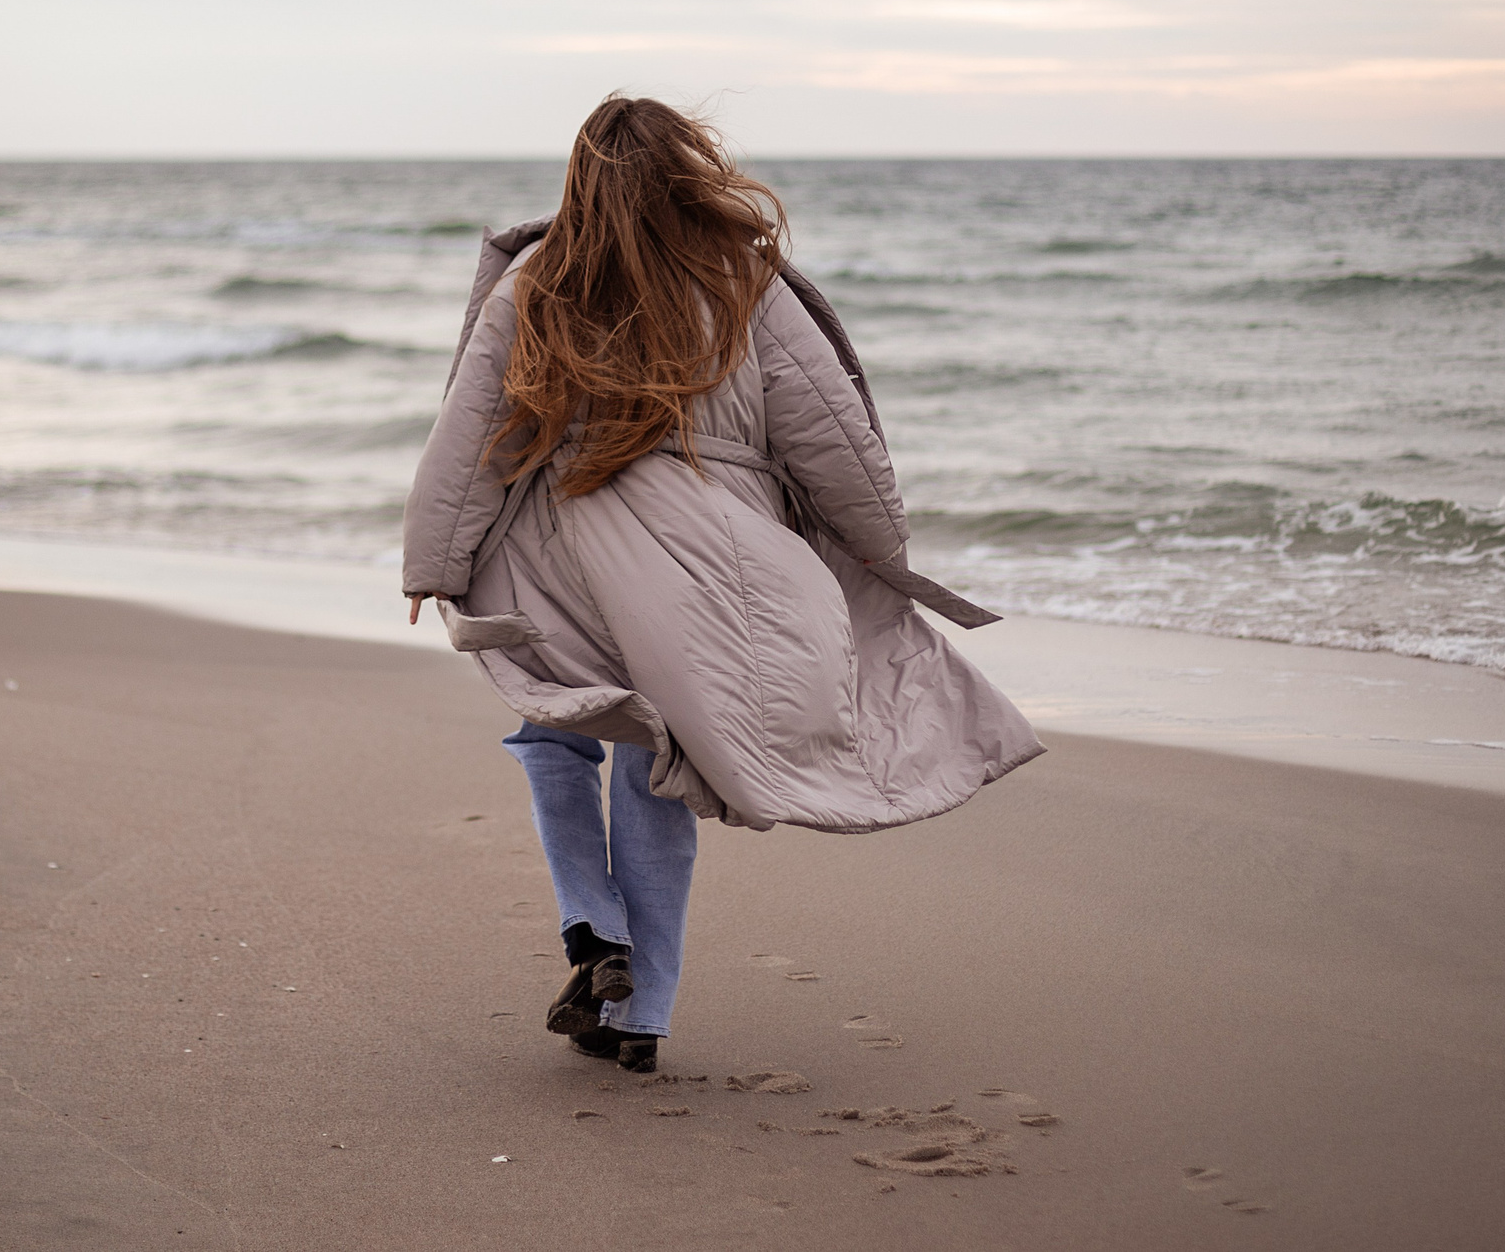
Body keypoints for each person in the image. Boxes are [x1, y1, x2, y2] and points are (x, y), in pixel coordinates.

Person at [401, 96, 1042, 1074]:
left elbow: (472, 436)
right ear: (686, 173)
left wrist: (435, 566)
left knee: (552, 732)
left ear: (579, 179)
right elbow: (834, 440)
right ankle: (643, 1016)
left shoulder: (538, 280)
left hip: (561, 556)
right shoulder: (743, 279)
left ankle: (590, 925)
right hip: (711, 567)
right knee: (665, 766)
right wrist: (880, 554)